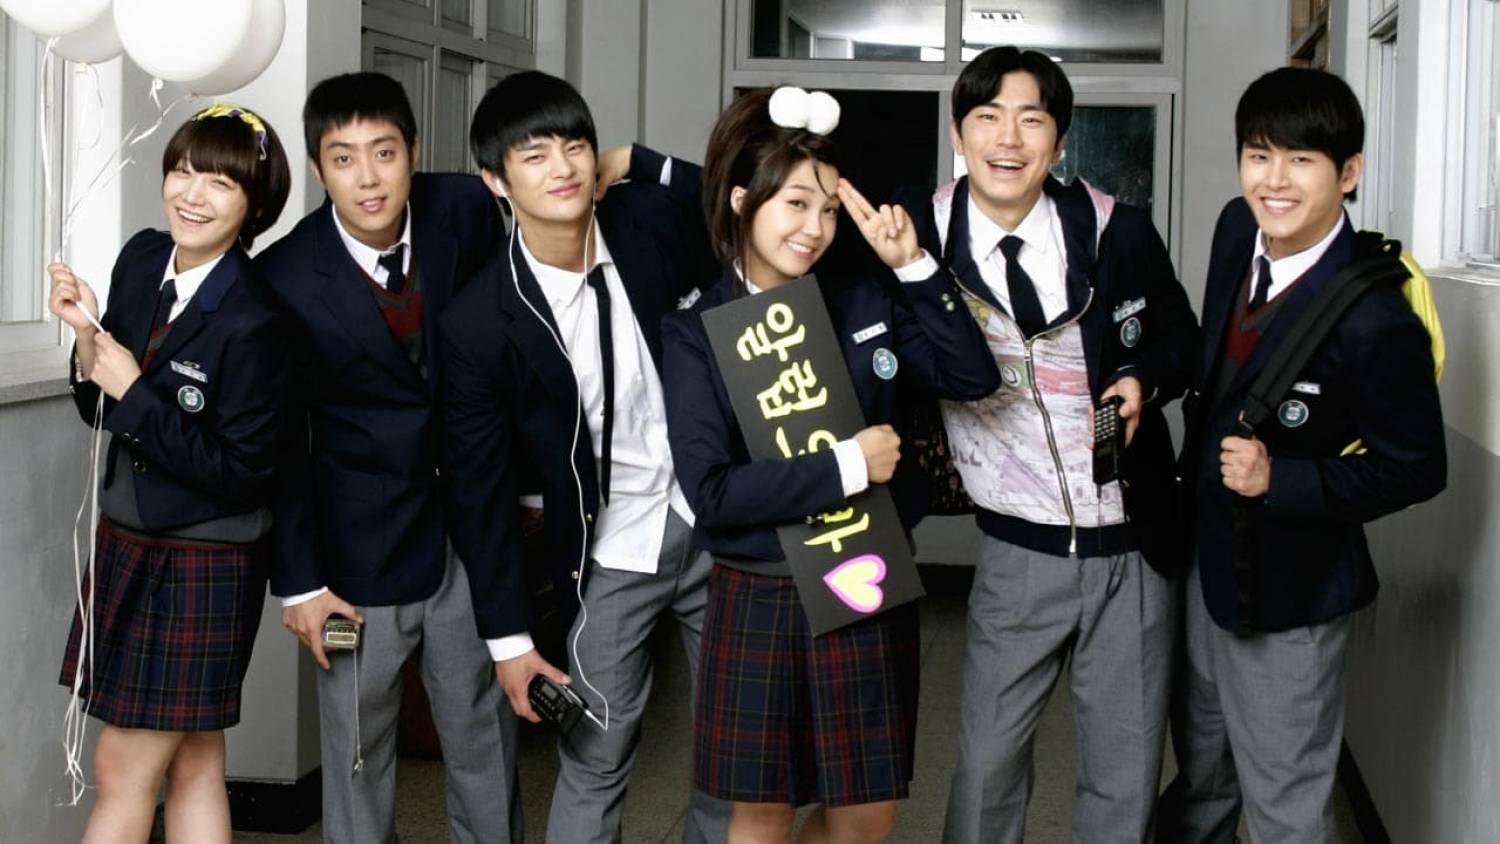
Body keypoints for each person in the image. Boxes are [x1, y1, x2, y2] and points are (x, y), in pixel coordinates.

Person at [660, 86, 1000, 843]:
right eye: (795, 205)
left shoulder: (860, 301)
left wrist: (913, 266)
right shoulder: (696, 331)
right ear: (742, 201)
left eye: (827, 210)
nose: (814, 229)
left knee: (866, 814)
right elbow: (713, 492)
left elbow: (973, 377)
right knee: (763, 812)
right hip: (761, 587)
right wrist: (849, 464)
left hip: (862, 579)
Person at [896, 46, 1200, 843]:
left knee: (1124, 773)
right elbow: (775, 199)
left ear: (1058, 142)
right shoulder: (913, 234)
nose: (1008, 138)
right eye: (987, 116)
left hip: (1132, 547)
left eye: (1031, 120)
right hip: (1016, 552)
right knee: (988, 768)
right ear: (958, 133)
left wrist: (1140, 378)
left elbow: (1182, 340)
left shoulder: (1116, 229)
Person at [1156, 66, 1446, 843]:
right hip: (1206, 567)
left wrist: (1280, 479)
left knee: (1284, 806)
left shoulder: (1376, 318)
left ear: (1348, 173)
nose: (1274, 181)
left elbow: (1417, 467)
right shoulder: (1234, 230)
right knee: (1202, 780)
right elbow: (1218, 361)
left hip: (1292, 597)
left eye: (1301, 160)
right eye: (1259, 155)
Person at [439, 70, 729, 843]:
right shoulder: (479, 321)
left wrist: (647, 162)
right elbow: (478, 493)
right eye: (534, 156)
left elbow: (752, 207)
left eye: (575, 146)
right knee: (597, 757)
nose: (563, 167)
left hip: (714, 516)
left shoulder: (647, 222)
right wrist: (510, 643)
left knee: (738, 754)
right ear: (495, 181)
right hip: (609, 551)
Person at [253, 72, 520, 843]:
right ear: (317, 169)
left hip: (466, 539)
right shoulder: (284, 278)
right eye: (344, 159)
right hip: (352, 564)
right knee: (357, 750)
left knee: (483, 734)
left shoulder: (466, 210)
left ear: (414, 152)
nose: (368, 178)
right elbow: (283, 443)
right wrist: (300, 582)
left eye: (385, 152)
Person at [48, 104, 291, 843]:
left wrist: (134, 389)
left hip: (202, 556)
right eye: (184, 171)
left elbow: (243, 472)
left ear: (254, 205)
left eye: (220, 182)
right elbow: (100, 407)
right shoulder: (141, 258)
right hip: (129, 534)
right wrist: (87, 338)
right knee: (194, 763)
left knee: (123, 770)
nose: (193, 194)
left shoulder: (257, 318)